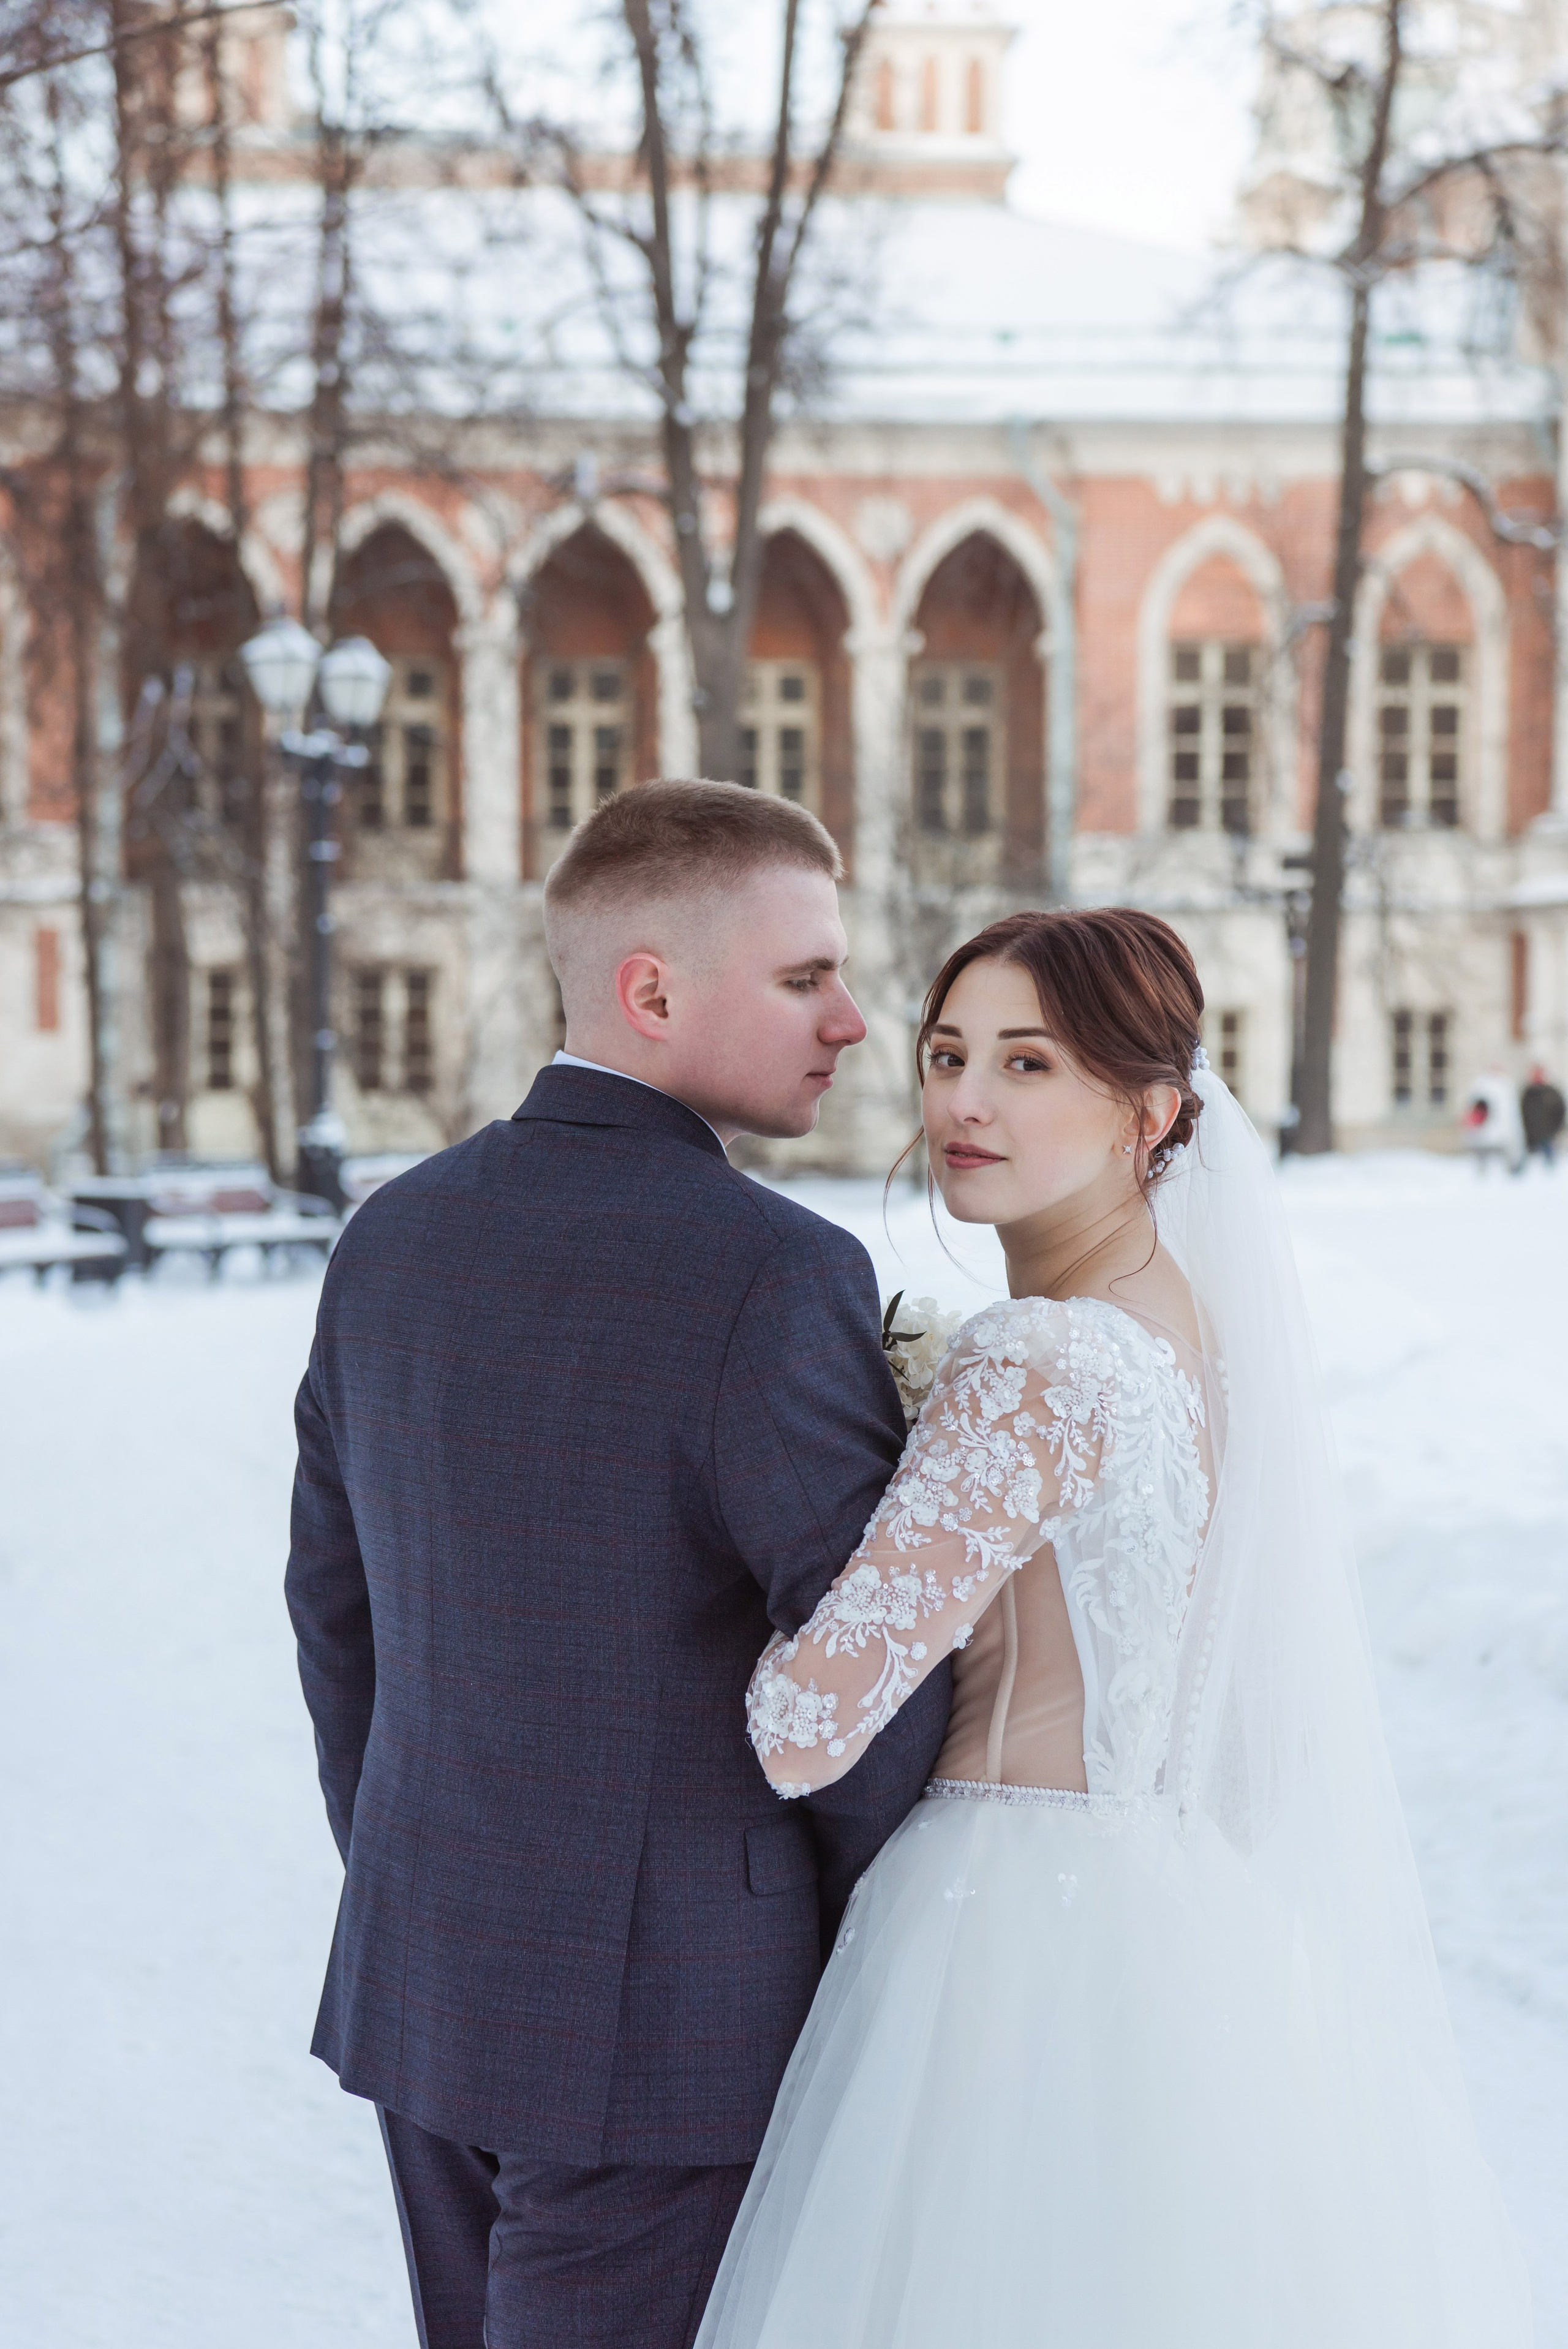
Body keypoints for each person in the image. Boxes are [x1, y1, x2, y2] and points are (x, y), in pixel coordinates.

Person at [698, 908, 1531, 2349]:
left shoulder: (1033, 1356)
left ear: (1144, 1112)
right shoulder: (1188, 1329)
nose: (960, 1099)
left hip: (997, 1928)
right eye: (946, 1051)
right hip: (1164, 1905)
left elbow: (803, 1724)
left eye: (1025, 1063)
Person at [285, 782, 949, 2349]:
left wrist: (418, 1861)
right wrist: (873, 1953)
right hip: (673, 2027)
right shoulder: (773, 1271)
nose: (852, 1020)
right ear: (651, 987)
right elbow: (869, 1679)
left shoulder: (389, 1232)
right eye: (802, 977)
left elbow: (334, 1609)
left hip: (433, 1968)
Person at [1463, 1065, 1525, 1174]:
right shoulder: (1481, 1085)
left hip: (1502, 1135)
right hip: (1482, 1134)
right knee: (1483, 1163)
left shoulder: (1506, 1087)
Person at [1521, 1063, 1564, 1169]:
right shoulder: (1527, 1093)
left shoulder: (1552, 1092)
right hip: (1531, 1138)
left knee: (1550, 1169)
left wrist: (1556, 1131)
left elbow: (1560, 1112)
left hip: (1549, 1138)